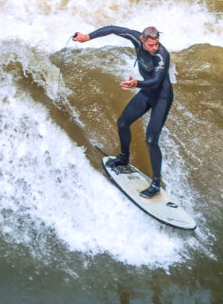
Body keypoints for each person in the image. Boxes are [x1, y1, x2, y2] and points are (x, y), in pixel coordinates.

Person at [73, 25, 172, 198]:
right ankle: (124, 157)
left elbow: (156, 81)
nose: (154, 48)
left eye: (157, 44)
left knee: (151, 139)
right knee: (123, 122)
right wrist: (87, 37)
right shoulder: (135, 38)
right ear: (142, 40)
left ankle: (156, 183)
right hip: (147, 93)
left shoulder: (162, 56)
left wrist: (136, 84)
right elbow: (113, 29)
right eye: (151, 45)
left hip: (162, 98)